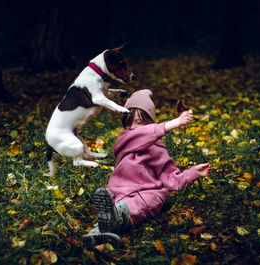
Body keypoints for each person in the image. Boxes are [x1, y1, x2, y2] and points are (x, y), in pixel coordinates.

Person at [83, 89, 211, 248]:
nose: (132, 128)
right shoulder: (125, 140)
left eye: (138, 123)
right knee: (115, 206)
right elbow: (141, 135)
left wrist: (193, 173)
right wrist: (173, 124)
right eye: (128, 123)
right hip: (121, 190)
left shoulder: (157, 149)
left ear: (150, 123)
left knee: (145, 202)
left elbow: (170, 177)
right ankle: (101, 229)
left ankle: (105, 229)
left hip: (148, 192)